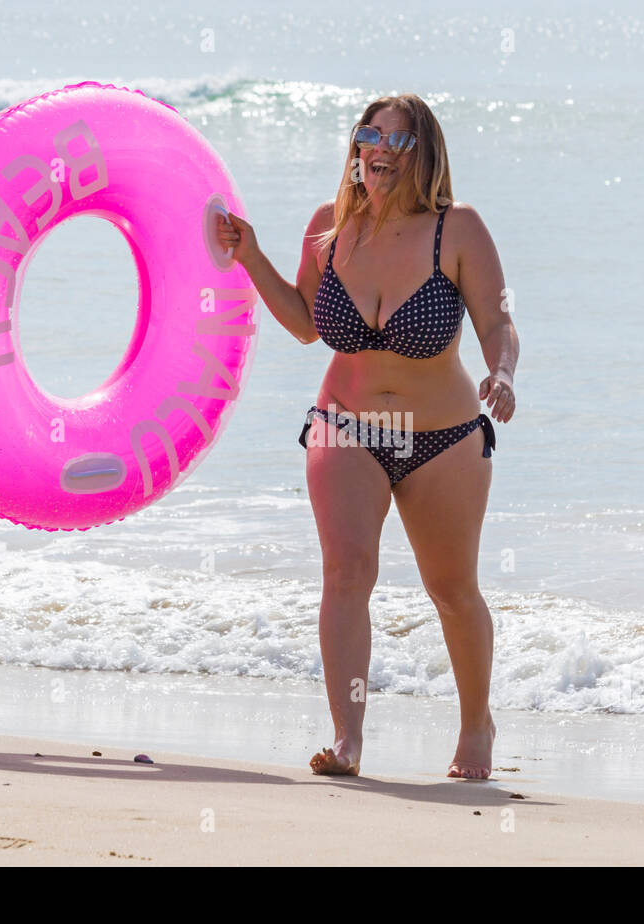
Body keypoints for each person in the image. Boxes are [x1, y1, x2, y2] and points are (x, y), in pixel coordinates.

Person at [216, 93, 519, 780]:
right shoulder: (329, 226)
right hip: (344, 425)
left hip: (444, 436)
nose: (379, 148)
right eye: (369, 134)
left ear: (425, 155)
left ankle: (476, 725)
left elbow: (498, 324)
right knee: (347, 573)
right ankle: (347, 737)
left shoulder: (458, 228)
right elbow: (302, 323)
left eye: (398, 139)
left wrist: (501, 373)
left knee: (451, 589)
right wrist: (250, 256)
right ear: (355, 148)